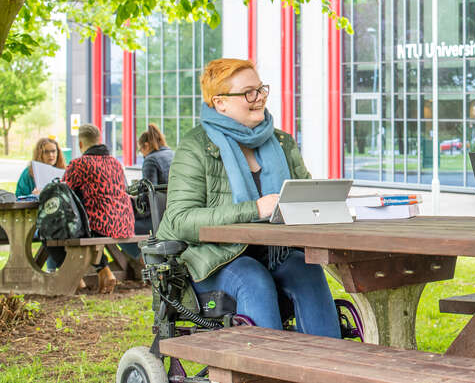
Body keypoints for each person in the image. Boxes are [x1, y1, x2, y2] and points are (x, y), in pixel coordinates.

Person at [156, 58, 340, 336]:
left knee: (307, 270)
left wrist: (323, 205)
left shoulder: (282, 142)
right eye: (248, 93)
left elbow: (305, 198)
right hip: (212, 259)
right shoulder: (195, 147)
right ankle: (266, 373)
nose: (259, 98)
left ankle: (328, 368)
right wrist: (253, 209)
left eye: (261, 90)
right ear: (220, 103)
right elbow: (180, 220)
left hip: (275, 251)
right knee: (253, 278)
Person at [49, 124, 135, 293]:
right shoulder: (116, 163)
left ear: (81, 144)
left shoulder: (80, 164)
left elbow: (62, 193)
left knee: (51, 233)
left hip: (99, 225)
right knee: (83, 231)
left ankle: (77, 280)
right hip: (124, 223)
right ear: (99, 140)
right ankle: (103, 271)